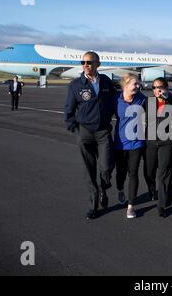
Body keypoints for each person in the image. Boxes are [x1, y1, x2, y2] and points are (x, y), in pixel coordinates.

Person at [64, 51, 117, 220]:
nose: (86, 65)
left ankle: (103, 187)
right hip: (85, 132)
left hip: (103, 131)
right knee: (89, 170)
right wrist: (75, 128)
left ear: (98, 64)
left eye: (89, 62)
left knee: (106, 166)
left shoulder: (107, 82)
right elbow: (69, 110)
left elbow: (115, 102)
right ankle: (93, 204)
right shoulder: (75, 85)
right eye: (83, 62)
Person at [143, 77, 172, 218]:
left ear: (166, 87)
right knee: (149, 172)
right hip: (151, 142)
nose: (156, 90)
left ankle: (162, 204)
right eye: (154, 87)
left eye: (159, 87)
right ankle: (156, 190)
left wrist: (169, 97)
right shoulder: (148, 102)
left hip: (167, 142)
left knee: (164, 173)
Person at [113, 74, 146, 219]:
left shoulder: (142, 98)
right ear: (125, 85)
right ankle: (120, 189)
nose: (138, 86)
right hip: (120, 144)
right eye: (135, 84)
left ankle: (131, 206)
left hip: (137, 143)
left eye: (139, 84)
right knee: (121, 173)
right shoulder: (115, 100)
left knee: (133, 173)